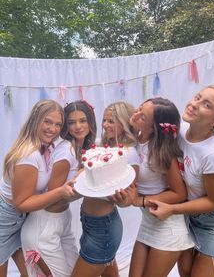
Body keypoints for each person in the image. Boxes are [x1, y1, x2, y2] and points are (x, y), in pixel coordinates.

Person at [148, 85, 214, 277]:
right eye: (197, 97)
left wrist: (171, 209)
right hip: (190, 213)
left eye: (206, 105)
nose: (195, 104)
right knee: (185, 273)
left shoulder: (213, 155)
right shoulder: (180, 131)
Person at [113, 97, 194, 277]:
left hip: (168, 228)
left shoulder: (161, 152)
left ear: (154, 128)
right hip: (148, 224)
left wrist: (140, 200)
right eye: (139, 109)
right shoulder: (135, 138)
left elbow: (179, 193)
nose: (136, 114)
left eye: (143, 117)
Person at [0, 99, 75, 277]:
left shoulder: (44, 147)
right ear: (36, 119)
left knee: (31, 272)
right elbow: (21, 203)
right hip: (6, 219)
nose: (53, 129)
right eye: (47, 121)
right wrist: (60, 191)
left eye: (58, 124)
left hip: (19, 219)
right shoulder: (29, 154)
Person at [21, 100, 96, 276]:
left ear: (90, 122)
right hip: (44, 224)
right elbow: (53, 196)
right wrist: (84, 185)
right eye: (71, 122)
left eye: (83, 120)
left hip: (62, 220)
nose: (78, 126)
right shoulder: (66, 151)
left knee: (74, 272)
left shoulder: (81, 148)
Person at [71, 101, 140, 277]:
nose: (105, 125)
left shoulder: (128, 153)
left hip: (104, 228)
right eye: (104, 120)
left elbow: (129, 199)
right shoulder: (100, 144)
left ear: (124, 124)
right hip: (89, 223)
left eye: (111, 121)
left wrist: (122, 199)